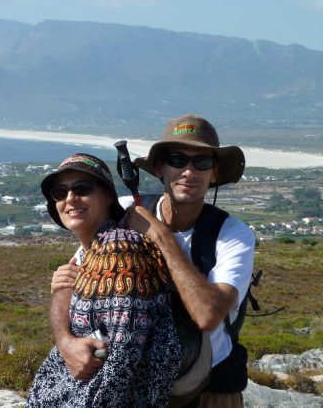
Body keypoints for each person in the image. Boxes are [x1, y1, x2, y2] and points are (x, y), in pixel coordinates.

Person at [51, 115, 255, 407]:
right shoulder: (125, 211)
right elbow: (69, 281)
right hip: (133, 388)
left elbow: (208, 316)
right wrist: (65, 340)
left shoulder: (232, 235)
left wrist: (160, 235)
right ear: (160, 168)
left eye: (201, 162)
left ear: (214, 173)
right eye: (177, 160)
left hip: (206, 389)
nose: (189, 171)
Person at [27, 152, 181, 408]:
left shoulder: (119, 249)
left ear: (108, 195)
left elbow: (122, 359)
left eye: (82, 189)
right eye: (60, 192)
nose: (70, 198)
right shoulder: (91, 250)